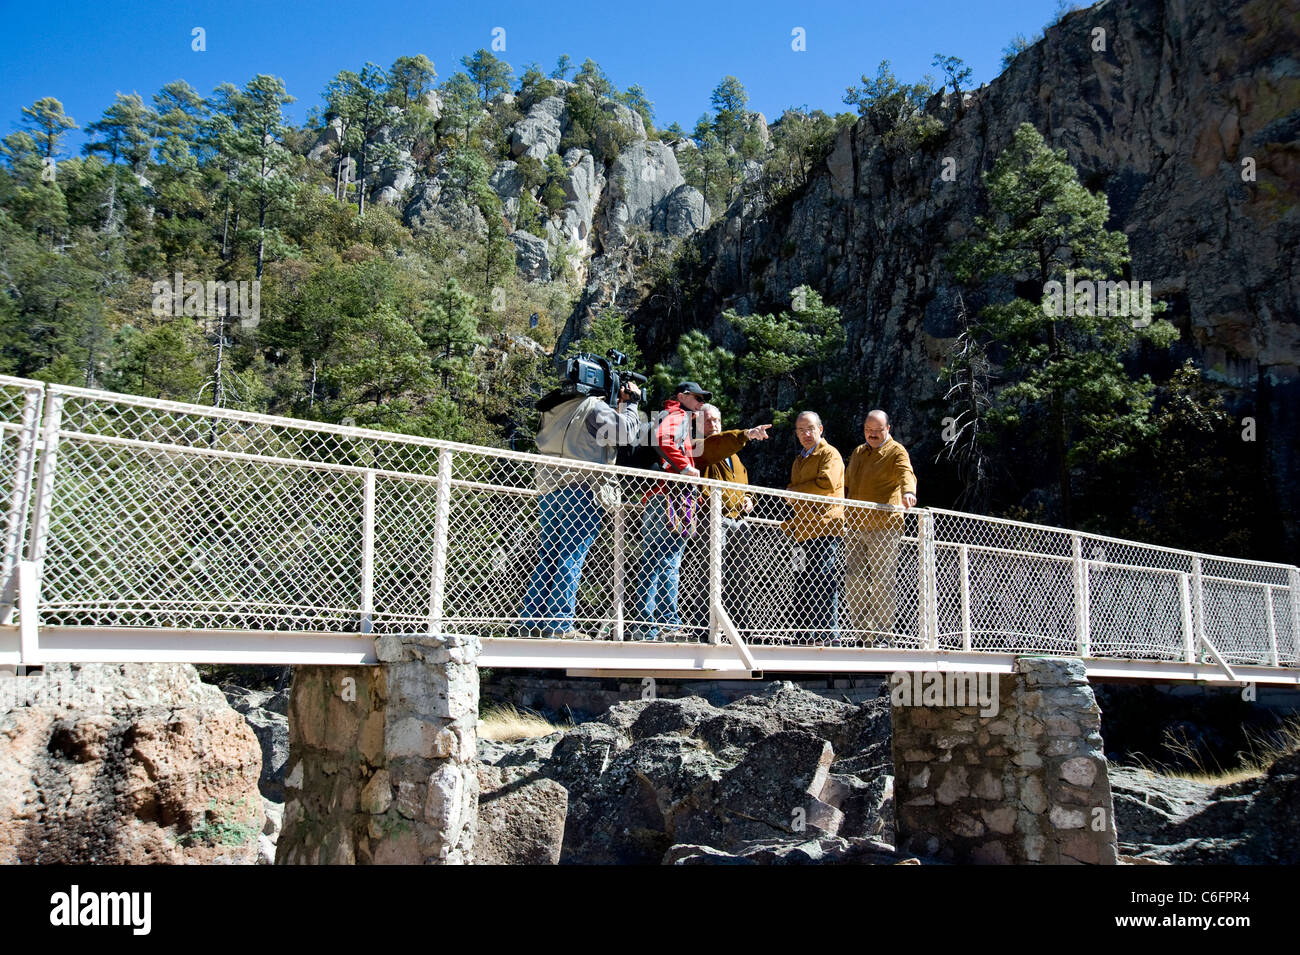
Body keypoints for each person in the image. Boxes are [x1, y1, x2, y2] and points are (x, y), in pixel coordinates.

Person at [517, 379, 641, 639]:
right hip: (582, 488)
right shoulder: (592, 407)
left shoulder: (553, 407)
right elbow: (626, 433)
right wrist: (630, 404)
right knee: (571, 555)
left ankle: (531, 619)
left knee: (548, 554)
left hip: (549, 488)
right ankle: (561, 623)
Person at [683, 404, 771, 635]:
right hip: (712, 518)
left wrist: (749, 498)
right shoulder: (697, 447)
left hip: (739, 522)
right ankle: (704, 625)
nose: (713, 425)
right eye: (708, 421)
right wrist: (746, 434)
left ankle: (739, 626)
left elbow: (744, 482)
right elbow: (716, 446)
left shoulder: (734, 456)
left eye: (717, 421)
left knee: (740, 575)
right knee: (710, 572)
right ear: (697, 425)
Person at [631, 382, 709, 641]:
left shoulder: (670, 415)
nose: (701, 402)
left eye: (703, 398)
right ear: (682, 396)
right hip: (671, 497)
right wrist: (685, 467)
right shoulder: (678, 415)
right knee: (666, 561)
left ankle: (649, 623)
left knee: (657, 561)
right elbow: (664, 439)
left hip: (658, 495)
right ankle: (664, 623)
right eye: (697, 397)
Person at [844, 410, 917, 645]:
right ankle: (863, 635)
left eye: (877, 430)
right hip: (854, 527)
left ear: (888, 429)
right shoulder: (858, 452)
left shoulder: (896, 451)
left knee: (882, 582)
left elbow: (907, 473)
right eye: (868, 429)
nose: (872, 434)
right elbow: (846, 485)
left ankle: (885, 635)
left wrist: (908, 492)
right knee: (854, 581)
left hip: (884, 528)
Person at [781, 411, 846, 644]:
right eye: (801, 430)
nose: (806, 434)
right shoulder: (799, 458)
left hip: (824, 529)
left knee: (822, 579)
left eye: (810, 429)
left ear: (820, 429)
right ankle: (803, 633)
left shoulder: (830, 454)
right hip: (800, 533)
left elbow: (826, 484)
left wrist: (794, 493)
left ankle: (828, 634)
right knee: (800, 579)